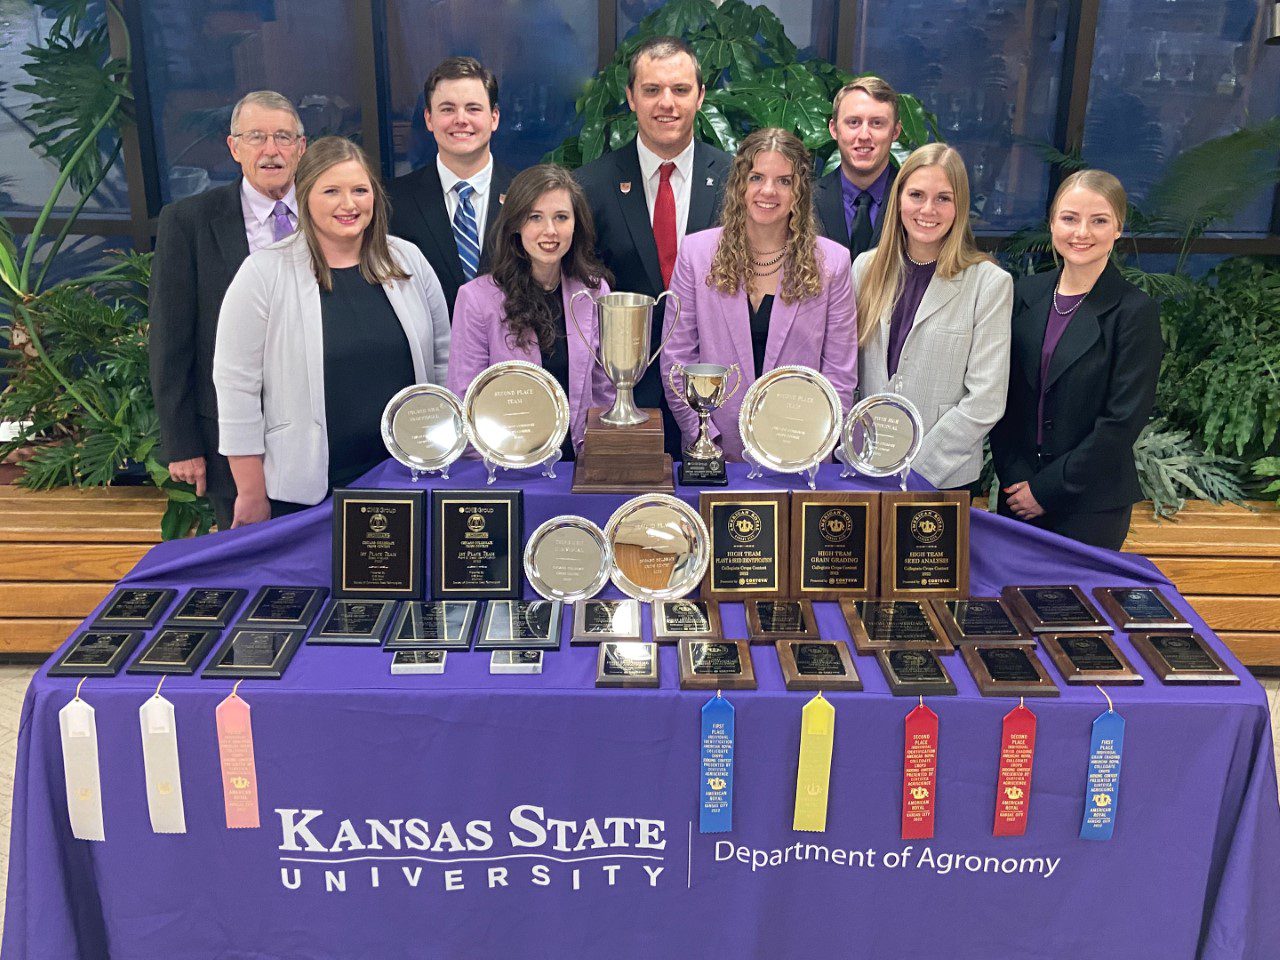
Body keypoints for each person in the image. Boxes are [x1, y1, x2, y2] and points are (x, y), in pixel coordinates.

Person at [214, 137, 450, 526]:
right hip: (307, 497)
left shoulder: (408, 260)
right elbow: (236, 387)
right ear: (304, 197)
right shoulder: (263, 273)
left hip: (407, 482)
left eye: (360, 190)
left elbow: (444, 358)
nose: (349, 204)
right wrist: (251, 491)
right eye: (331, 191)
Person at [149, 90, 306, 530]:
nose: (270, 150)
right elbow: (170, 337)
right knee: (250, 563)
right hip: (229, 437)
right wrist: (181, 442)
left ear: (302, 147)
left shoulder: (328, 212)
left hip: (320, 431)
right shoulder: (189, 222)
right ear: (234, 147)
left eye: (282, 137)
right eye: (255, 137)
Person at [659, 128, 857, 463]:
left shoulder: (832, 263)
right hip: (714, 455)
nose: (768, 190)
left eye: (784, 181)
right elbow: (676, 360)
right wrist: (702, 436)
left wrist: (814, 447)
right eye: (756, 177)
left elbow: (840, 374)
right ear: (739, 185)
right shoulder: (696, 253)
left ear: (800, 191)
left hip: (800, 456)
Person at [575, 35, 731, 455]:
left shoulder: (738, 182)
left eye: (680, 90)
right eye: (651, 90)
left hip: (716, 399)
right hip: (622, 399)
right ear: (630, 97)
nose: (667, 103)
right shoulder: (590, 186)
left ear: (700, 97)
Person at [991, 170, 1163, 550]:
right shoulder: (1023, 294)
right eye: (1069, 218)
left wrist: (1046, 489)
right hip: (1016, 496)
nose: (1081, 232)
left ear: (1118, 228)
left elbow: (1121, 421)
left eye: (1098, 220)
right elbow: (997, 394)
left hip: (1090, 506)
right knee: (1011, 608)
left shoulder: (1134, 311)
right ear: (1052, 223)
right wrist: (1016, 477)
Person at [854, 142, 1013, 491]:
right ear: (898, 200)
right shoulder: (865, 268)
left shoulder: (989, 283)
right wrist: (855, 452)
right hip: (865, 467)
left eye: (943, 198)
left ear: (960, 207)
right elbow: (849, 372)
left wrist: (916, 469)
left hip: (940, 478)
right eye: (916, 195)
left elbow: (986, 400)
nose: (928, 209)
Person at [448, 165, 614, 459]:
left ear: (576, 224)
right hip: (507, 470)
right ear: (515, 225)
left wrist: (600, 459)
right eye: (535, 217)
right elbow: (465, 402)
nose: (550, 230)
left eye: (561, 217)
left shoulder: (595, 292)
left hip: (580, 465)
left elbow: (604, 390)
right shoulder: (475, 299)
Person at [387, 56, 518, 315]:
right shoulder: (394, 201)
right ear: (428, 118)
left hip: (511, 350)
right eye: (447, 109)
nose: (460, 119)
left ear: (494, 118)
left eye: (473, 108)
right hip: (428, 353)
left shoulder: (525, 196)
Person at [815, 76, 901, 262]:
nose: (864, 135)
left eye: (877, 123)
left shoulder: (914, 200)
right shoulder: (805, 201)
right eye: (853, 122)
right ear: (834, 129)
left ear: (895, 132)